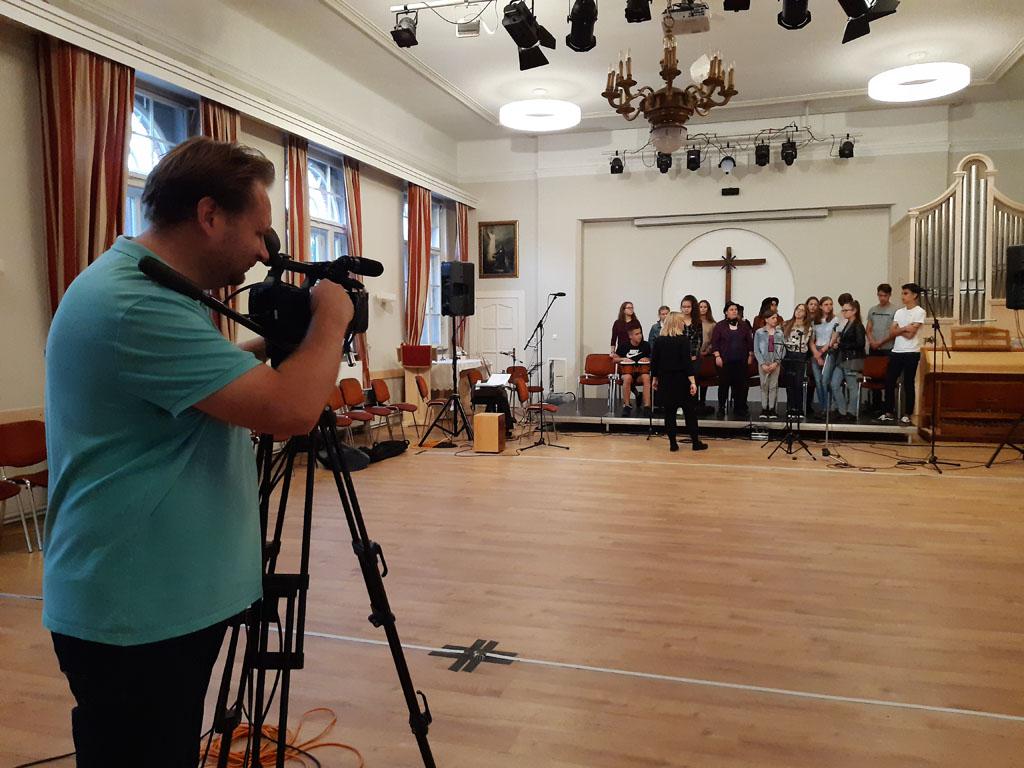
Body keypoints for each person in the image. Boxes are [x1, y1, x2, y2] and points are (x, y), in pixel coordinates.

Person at [42, 137, 355, 767]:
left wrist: (278, 346)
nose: (265, 253)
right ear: (210, 215)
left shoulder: (140, 289)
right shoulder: (136, 304)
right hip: (135, 610)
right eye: (260, 232)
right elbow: (291, 412)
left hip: (156, 599)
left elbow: (200, 384)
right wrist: (331, 318)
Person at [651, 312, 708, 452]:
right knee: (690, 413)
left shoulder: (659, 340)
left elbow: (655, 362)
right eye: (682, 321)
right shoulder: (683, 340)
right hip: (681, 380)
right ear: (677, 323)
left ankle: (673, 444)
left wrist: (655, 378)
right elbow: (687, 363)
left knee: (669, 413)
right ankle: (695, 443)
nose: (684, 324)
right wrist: (693, 382)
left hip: (665, 380)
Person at [879, 283, 927, 424]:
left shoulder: (919, 312)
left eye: (906, 293)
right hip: (897, 351)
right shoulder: (899, 312)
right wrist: (905, 328)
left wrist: (900, 330)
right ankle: (888, 411)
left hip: (911, 352)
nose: (903, 296)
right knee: (889, 380)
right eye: (902, 293)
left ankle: (907, 413)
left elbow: (911, 335)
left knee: (908, 383)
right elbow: (891, 332)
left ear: (914, 295)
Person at [711, 302, 754, 419]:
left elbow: (749, 342)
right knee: (723, 386)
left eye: (735, 309)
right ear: (726, 312)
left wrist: (750, 355)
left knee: (741, 386)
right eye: (731, 309)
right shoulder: (719, 326)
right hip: (725, 361)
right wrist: (717, 356)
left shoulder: (744, 325)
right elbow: (715, 342)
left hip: (741, 361)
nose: (734, 311)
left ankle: (739, 408)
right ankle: (721, 408)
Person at [830, 300, 866, 421]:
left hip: (852, 360)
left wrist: (841, 344)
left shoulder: (858, 325)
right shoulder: (847, 324)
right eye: (843, 310)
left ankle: (851, 412)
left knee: (852, 387)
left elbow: (860, 344)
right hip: (842, 359)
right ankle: (842, 410)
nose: (844, 312)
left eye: (846, 310)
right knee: (834, 384)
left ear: (854, 311)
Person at [612, 326, 652, 416]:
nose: (640, 336)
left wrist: (648, 358)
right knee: (627, 378)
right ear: (630, 336)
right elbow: (614, 359)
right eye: (637, 334)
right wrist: (623, 359)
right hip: (627, 372)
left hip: (640, 374)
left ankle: (647, 407)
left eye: (640, 333)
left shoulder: (646, 345)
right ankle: (627, 405)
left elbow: (652, 358)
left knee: (646, 377)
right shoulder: (624, 345)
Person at [754, 310, 786, 419]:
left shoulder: (779, 333)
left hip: (775, 363)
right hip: (763, 363)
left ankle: (772, 409)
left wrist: (777, 362)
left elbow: (783, 349)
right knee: (764, 385)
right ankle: (764, 408)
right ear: (766, 319)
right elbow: (756, 350)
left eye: (776, 318)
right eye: (773, 318)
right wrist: (762, 364)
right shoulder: (759, 332)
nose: (775, 320)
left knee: (773, 386)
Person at [810, 296, 838, 416]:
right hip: (816, 351)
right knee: (817, 381)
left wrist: (822, 351)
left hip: (828, 350)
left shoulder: (835, 319)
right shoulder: (814, 321)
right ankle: (823, 407)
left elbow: (833, 338)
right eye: (826, 304)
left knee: (824, 380)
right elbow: (811, 340)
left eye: (831, 304)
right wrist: (816, 354)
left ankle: (829, 408)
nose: (829, 306)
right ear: (820, 306)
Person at [782, 303, 811, 415]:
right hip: (788, 355)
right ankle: (790, 407)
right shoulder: (786, 324)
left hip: (800, 355)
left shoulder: (807, 327)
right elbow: (782, 338)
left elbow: (803, 342)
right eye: (797, 309)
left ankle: (798, 408)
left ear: (805, 314)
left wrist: (790, 343)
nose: (799, 312)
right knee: (789, 382)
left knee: (798, 382)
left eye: (802, 310)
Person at [696, 299, 717, 411]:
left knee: (704, 379)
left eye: (705, 307)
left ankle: (702, 401)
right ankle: (694, 402)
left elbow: (714, 341)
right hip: (694, 354)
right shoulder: (693, 322)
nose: (703, 309)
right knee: (694, 378)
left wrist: (707, 351)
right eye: (701, 307)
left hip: (706, 355)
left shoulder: (712, 324)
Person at [679, 294, 702, 361]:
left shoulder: (698, 321)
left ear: (693, 307)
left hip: (693, 356)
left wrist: (694, 354)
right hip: (679, 355)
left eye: (688, 307)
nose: (686, 309)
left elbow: (698, 340)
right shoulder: (677, 320)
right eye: (684, 307)